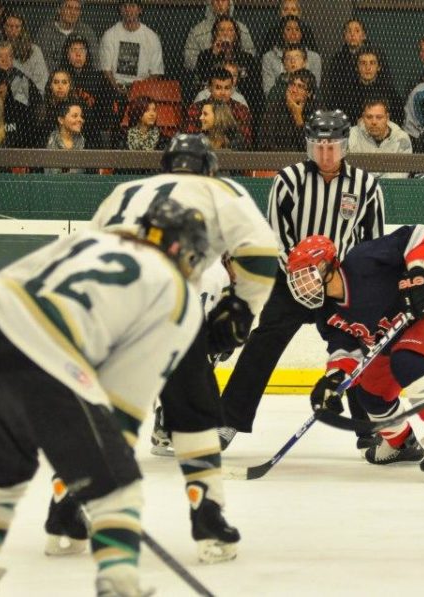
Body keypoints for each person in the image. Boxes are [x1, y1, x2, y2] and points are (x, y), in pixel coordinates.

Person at [0, 197, 208, 596]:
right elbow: (123, 404)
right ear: (182, 250)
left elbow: (9, 285)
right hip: (50, 355)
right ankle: (119, 586)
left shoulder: (89, 241)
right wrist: (104, 467)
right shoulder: (174, 291)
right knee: (120, 490)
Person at [83, 134, 279, 563]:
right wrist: (243, 308)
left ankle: (68, 505)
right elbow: (262, 252)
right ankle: (208, 518)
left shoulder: (124, 190)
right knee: (194, 417)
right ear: (208, 167)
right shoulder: (219, 189)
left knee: (105, 411)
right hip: (165, 305)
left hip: (101, 306)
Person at [219, 110, 385, 450]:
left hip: (340, 285)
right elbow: (278, 238)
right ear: (309, 146)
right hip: (292, 282)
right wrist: (303, 277)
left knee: (357, 348)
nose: (326, 154)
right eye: (319, 147)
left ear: (344, 146)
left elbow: (373, 245)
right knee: (262, 344)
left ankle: (367, 427)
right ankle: (228, 421)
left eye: (333, 147)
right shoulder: (288, 180)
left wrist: (352, 284)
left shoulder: (366, 186)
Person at [286, 227, 424, 480]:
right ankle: (402, 444)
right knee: (370, 392)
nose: (301, 284)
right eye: (296, 278)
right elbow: (345, 350)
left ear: (327, 265)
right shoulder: (326, 313)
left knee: (406, 362)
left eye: (306, 274)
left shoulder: (364, 260)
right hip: (398, 338)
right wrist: (333, 380)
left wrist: (416, 275)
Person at [99, 0, 164, 97]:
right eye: (125, 6)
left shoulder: (151, 37)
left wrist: (139, 90)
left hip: (143, 91)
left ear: (139, 10)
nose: (128, 10)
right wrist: (117, 87)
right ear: (120, 10)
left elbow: (156, 72)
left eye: (132, 6)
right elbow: (106, 69)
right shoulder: (109, 35)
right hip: (114, 89)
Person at [184, 0, 256, 74]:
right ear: (210, 3)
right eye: (216, 0)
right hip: (208, 75)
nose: (220, 3)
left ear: (229, 3)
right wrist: (211, 58)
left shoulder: (241, 29)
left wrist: (234, 67)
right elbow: (189, 62)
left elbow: (250, 56)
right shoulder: (197, 31)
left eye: (223, 0)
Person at [348, 99, 413, 179]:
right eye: (369, 117)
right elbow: (346, 169)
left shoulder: (401, 138)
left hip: (389, 188)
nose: (374, 122)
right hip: (359, 187)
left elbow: (401, 173)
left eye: (379, 117)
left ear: (387, 117)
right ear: (363, 117)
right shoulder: (351, 135)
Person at [261, 16, 322, 96]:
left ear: (301, 34)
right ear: (282, 34)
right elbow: (268, 92)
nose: (293, 32)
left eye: (297, 29)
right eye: (288, 29)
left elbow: (314, 90)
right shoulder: (268, 57)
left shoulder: (314, 57)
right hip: (279, 102)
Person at [35, 0, 100, 74]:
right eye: (69, 7)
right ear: (59, 10)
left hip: (81, 80)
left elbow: (95, 63)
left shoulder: (87, 32)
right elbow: (41, 64)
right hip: (54, 80)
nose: (73, 12)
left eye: (77, 9)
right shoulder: (46, 32)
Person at [0, 11, 49, 95]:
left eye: (17, 27)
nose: (13, 30)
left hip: (30, 97)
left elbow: (42, 81)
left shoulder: (34, 50)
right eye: (10, 26)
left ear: (22, 28)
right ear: (3, 27)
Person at [45, 101, 87, 173]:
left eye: (81, 116)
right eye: (75, 116)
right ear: (61, 120)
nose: (80, 120)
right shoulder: (47, 141)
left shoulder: (86, 143)